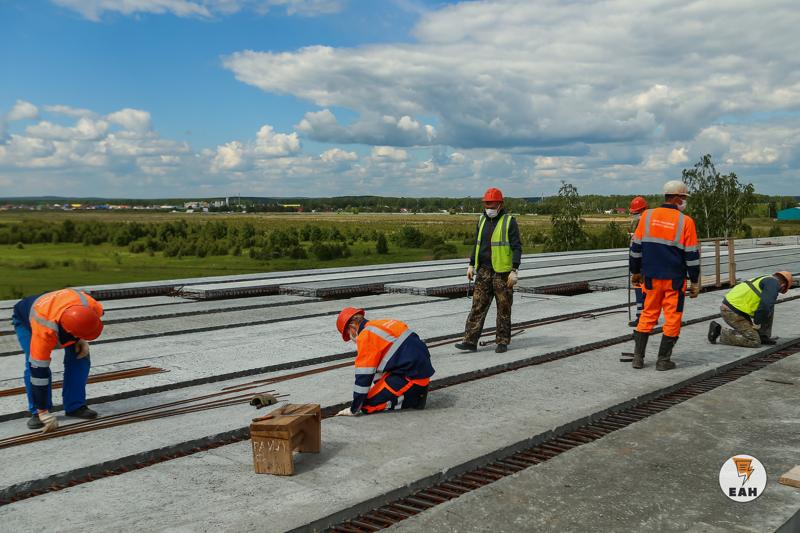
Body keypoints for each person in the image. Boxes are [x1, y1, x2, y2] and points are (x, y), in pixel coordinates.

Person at [628, 180, 700, 370]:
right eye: (684, 198)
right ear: (676, 198)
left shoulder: (647, 216)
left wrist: (635, 272)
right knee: (673, 317)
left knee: (647, 314)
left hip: (650, 278)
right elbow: (692, 255)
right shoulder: (686, 222)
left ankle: (638, 358)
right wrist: (694, 281)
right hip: (674, 280)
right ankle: (663, 361)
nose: (684, 201)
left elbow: (636, 248)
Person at [11, 288, 104, 432]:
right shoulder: (44, 330)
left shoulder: (92, 306)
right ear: (68, 331)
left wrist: (81, 339)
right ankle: (37, 412)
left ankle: (75, 406)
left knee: (81, 357)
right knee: (33, 365)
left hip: (60, 309)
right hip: (27, 318)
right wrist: (42, 411)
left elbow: (86, 323)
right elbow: (38, 372)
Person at [454, 187, 523, 354]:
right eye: (486, 204)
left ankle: (502, 342)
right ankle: (470, 341)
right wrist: (471, 264)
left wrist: (514, 270)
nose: (488, 208)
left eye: (492, 204)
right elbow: (477, 244)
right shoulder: (481, 220)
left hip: (503, 273)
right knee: (477, 306)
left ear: (500, 204)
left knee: (503, 308)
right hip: (483, 270)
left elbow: (517, 247)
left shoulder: (509, 221)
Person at [334, 307, 434, 416]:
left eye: (348, 334)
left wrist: (354, 408)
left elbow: (363, 377)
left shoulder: (365, 336)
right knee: (375, 384)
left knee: (366, 406)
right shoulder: (382, 323)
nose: (351, 338)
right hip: (417, 370)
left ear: (352, 327)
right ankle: (410, 394)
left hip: (412, 377)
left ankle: (412, 400)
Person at [708, 271, 793, 347]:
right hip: (732, 312)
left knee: (770, 305)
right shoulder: (773, 284)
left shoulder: (766, 278)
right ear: (783, 286)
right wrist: (757, 322)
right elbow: (765, 306)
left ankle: (763, 336)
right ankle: (719, 332)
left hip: (735, 308)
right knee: (754, 341)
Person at [628, 196, 648, 328]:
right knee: (646, 291)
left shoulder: (643, 223)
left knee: (641, 290)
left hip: (641, 264)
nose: (634, 215)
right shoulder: (647, 222)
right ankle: (647, 316)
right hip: (647, 263)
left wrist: (635, 270)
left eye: (635, 212)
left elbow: (637, 248)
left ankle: (642, 317)